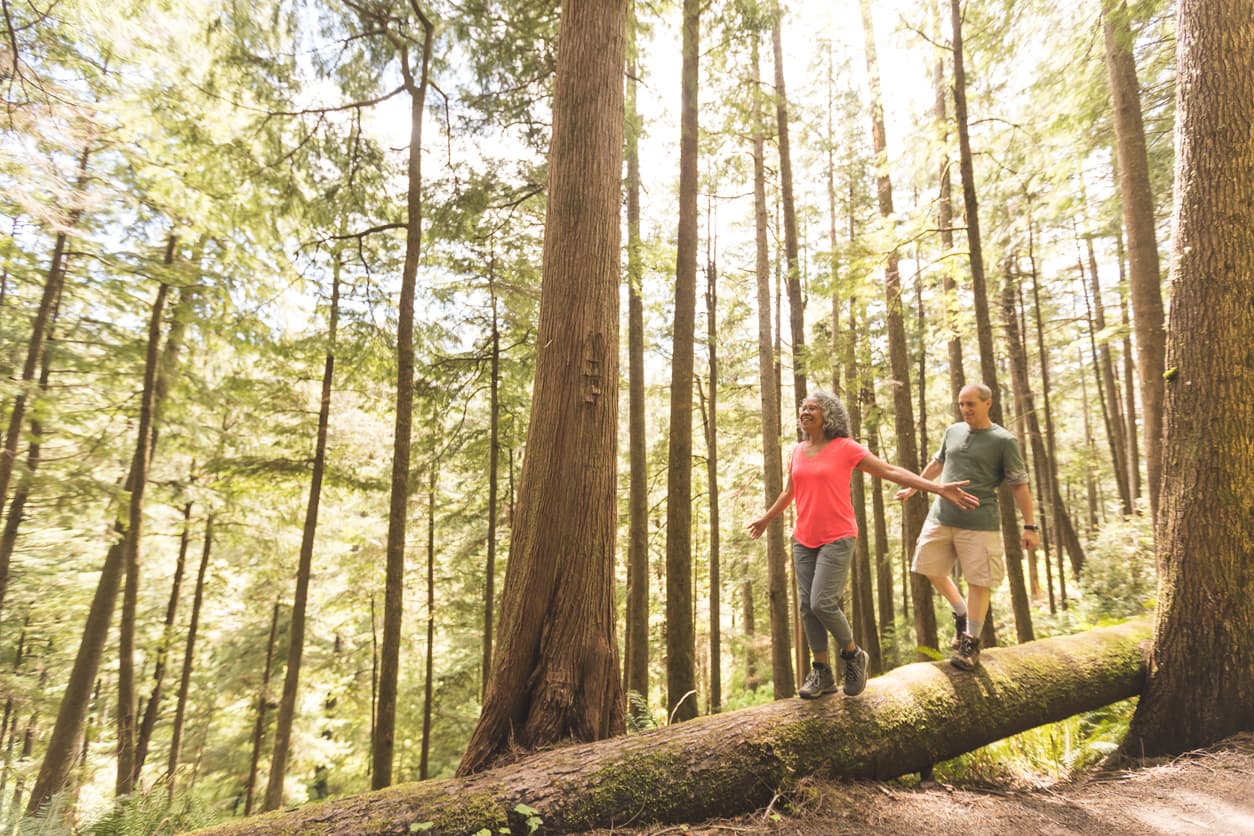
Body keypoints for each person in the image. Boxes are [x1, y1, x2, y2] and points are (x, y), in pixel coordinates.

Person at [748, 390, 979, 699]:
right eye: (803, 407)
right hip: (803, 540)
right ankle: (822, 673)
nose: (805, 411)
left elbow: (891, 471)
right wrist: (766, 518)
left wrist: (937, 487)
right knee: (807, 607)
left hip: (838, 537)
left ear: (828, 414)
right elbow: (789, 491)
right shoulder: (797, 450)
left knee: (821, 602)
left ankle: (853, 654)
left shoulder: (845, 448)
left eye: (812, 407)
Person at [895, 382, 1038, 670]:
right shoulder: (953, 431)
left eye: (971, 404)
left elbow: (1019, 485)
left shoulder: (1003, 440)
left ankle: (970, 641)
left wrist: (1030, 526)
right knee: (929, 569)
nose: (965, 409)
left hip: (980, 523)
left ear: (988, 403)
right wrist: (914, 488)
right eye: (961, 404)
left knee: (978, 581)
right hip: (941, 517)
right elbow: (938, 463)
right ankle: (961, 613)